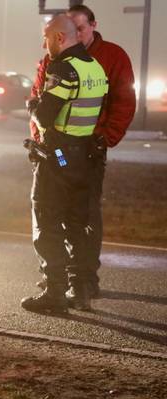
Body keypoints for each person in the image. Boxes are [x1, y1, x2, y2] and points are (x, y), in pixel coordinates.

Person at [30, 5, 136, 304]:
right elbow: (40, 92)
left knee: (49, 215)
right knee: (78, 218)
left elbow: (43, 109)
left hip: (67, 155)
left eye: (81, 28)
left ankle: (65, 284)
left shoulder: (93, 60)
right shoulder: (89, 64)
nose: (77, 33)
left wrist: (106, 139)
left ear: (91, 26)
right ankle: (74, 284)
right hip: (76, 155)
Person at [21, 14, 108, 313]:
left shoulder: (63, 69)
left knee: (46, 220)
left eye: (46, 37)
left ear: (59, 37)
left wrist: (32, 104)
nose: (44, 44)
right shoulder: (94, 67)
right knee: (77, 224)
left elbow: (45, 116)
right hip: (84, 158)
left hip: (59, 157)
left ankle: (54, 294)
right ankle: (80, 288)